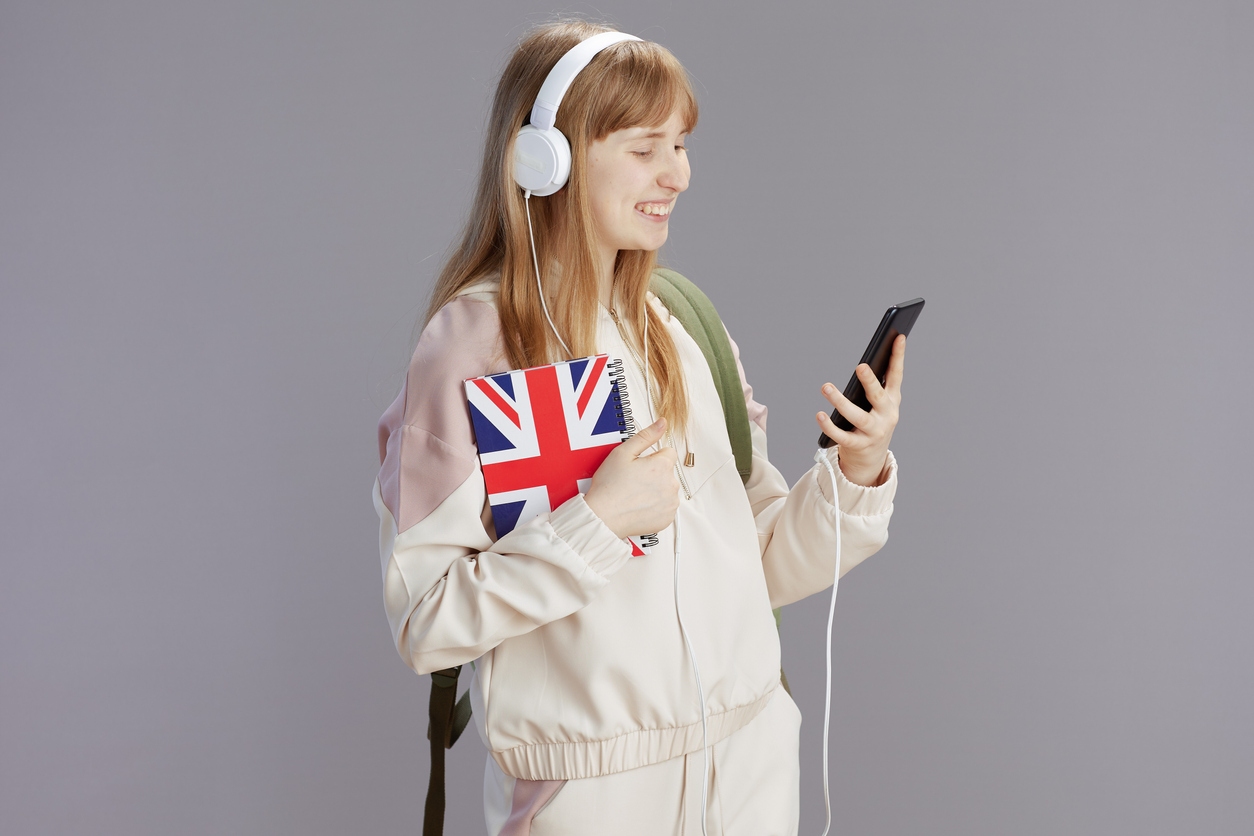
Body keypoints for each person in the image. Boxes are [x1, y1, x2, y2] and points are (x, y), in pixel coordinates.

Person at [374, 20, 905, 836]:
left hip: (751, 765)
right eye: (645, 146)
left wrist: (855, 472)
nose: (679, 174)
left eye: (683, 144)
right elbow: (427, 621)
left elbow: (755, 562)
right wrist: (596, 523)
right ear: (547, 158)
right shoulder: (477, 346)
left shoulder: (680, 323)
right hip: (592, 797)